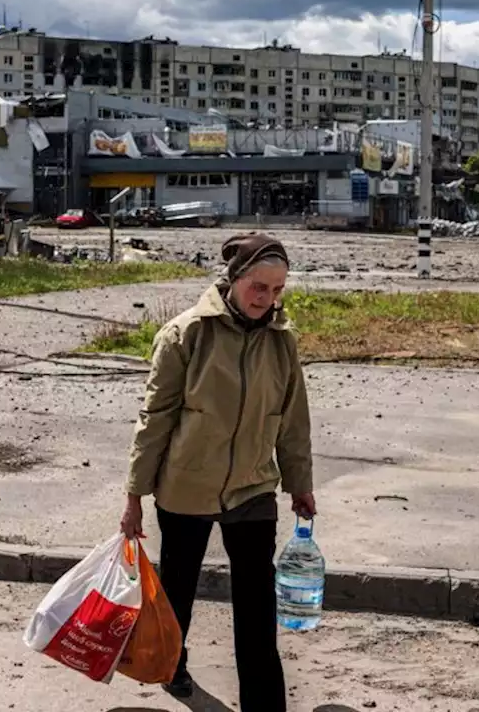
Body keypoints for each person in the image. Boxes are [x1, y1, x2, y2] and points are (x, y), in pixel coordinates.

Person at [121, 232, 315, 711]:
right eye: (258, 287)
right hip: (187, 485)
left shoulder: (281, 342)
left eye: (276, 290)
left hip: (252, 487)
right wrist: (134, 494)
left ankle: (265, 705)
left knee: (256, 605)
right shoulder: (186, 334)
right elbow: (155, 419)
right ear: (234, 280)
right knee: (179, 588)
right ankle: (173, 665)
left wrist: (300, 484)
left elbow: (293, 420)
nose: (267, 299)